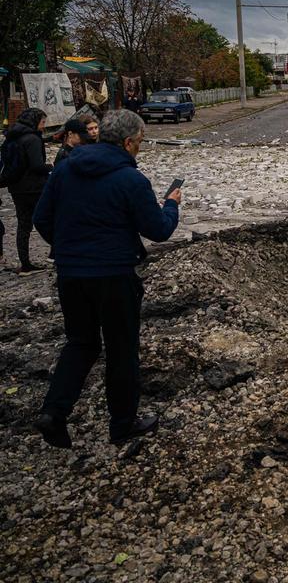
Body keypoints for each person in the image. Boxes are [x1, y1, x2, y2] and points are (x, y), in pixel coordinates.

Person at [32, 109, 181, 448]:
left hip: (70, 273)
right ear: (128, 143)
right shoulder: (131, 180)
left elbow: (42, 217)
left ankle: (53, 413)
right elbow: (158, 230)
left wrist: (70, 247)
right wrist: (171, 205)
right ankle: (123, 424)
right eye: (140, 143)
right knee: (121, 349)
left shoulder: (66, 167)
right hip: (114, 274)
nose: (140, 149)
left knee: (80, 343)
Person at [3, 108, 52, 275]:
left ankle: (25, 264)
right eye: (43, 122)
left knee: (23, 225)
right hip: (34, 188)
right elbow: (37, 166)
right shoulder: (32, 139)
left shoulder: (13, 136)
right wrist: (51, 166)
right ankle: (58, 255)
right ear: (35, 121)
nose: (44, 126)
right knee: (49, 219)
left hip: (17, 188)